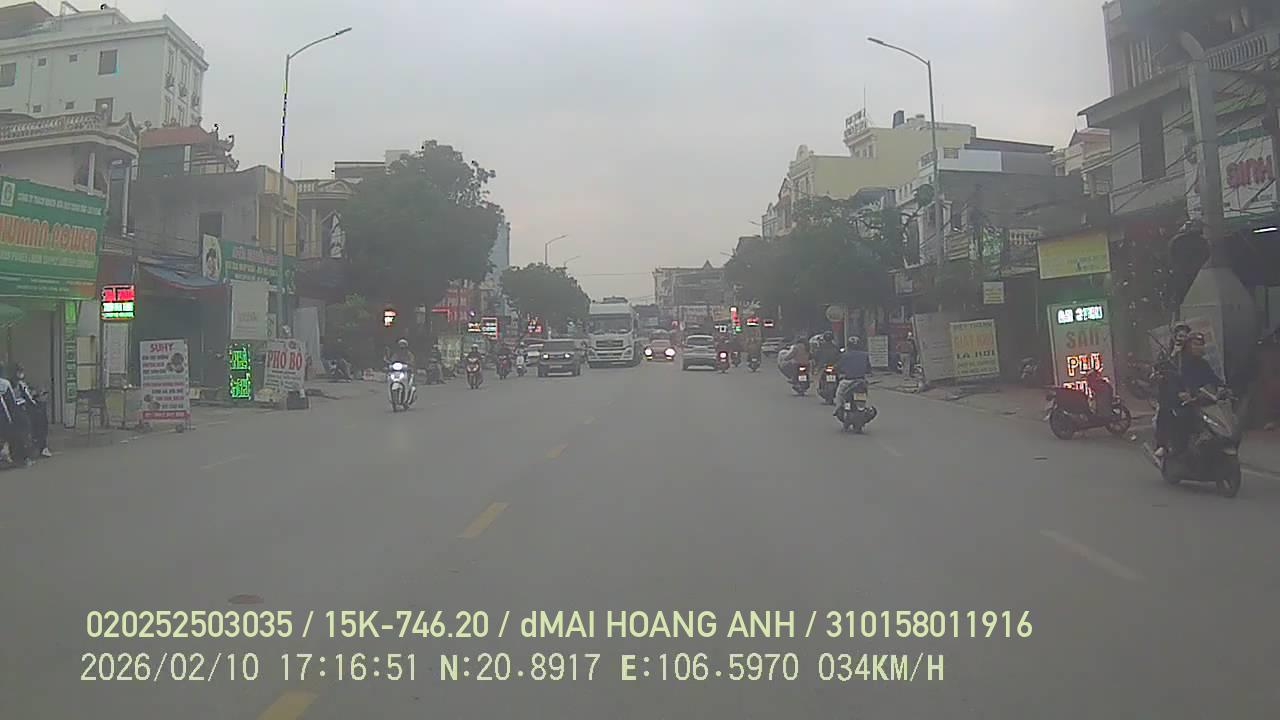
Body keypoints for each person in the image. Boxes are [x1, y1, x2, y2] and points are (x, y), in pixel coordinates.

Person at [1154, 332, 1223, 461]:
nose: (1199, 347)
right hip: (1179, 402)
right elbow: (1170, 380)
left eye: (1201, 344)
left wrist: (1223, 388)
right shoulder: (1176, 362)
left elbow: (1213, 379)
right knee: (1171, 414)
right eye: (1195, 344)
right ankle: (1164, 446)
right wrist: (1180, 393)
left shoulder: (1203, 364)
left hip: (1200, 400)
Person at [13, 364, 49, 458]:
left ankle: (39, 446)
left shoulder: (18, 383)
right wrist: (36, 402)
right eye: (19, 371)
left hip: (20, 409)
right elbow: (28, 398)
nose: (21, 373)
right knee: (41, 421)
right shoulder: (18, 384)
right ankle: (42, 447)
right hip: (23, 409)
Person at [0, 362, 31, 467]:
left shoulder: (17, 384)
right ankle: (20, 457)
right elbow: (11, 401)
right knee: (15, 434)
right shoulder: (5, 383)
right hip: (7, 413)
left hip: (8, 412)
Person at [833, 336, 873, 416]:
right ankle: (864, 408)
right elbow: (868, 368)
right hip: (861, 381)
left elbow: (838, 367)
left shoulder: (844, 355)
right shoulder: (865, 355)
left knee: (839, 393)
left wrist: (838, 370)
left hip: (848, 381)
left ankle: (838, 409)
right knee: (864, 393)